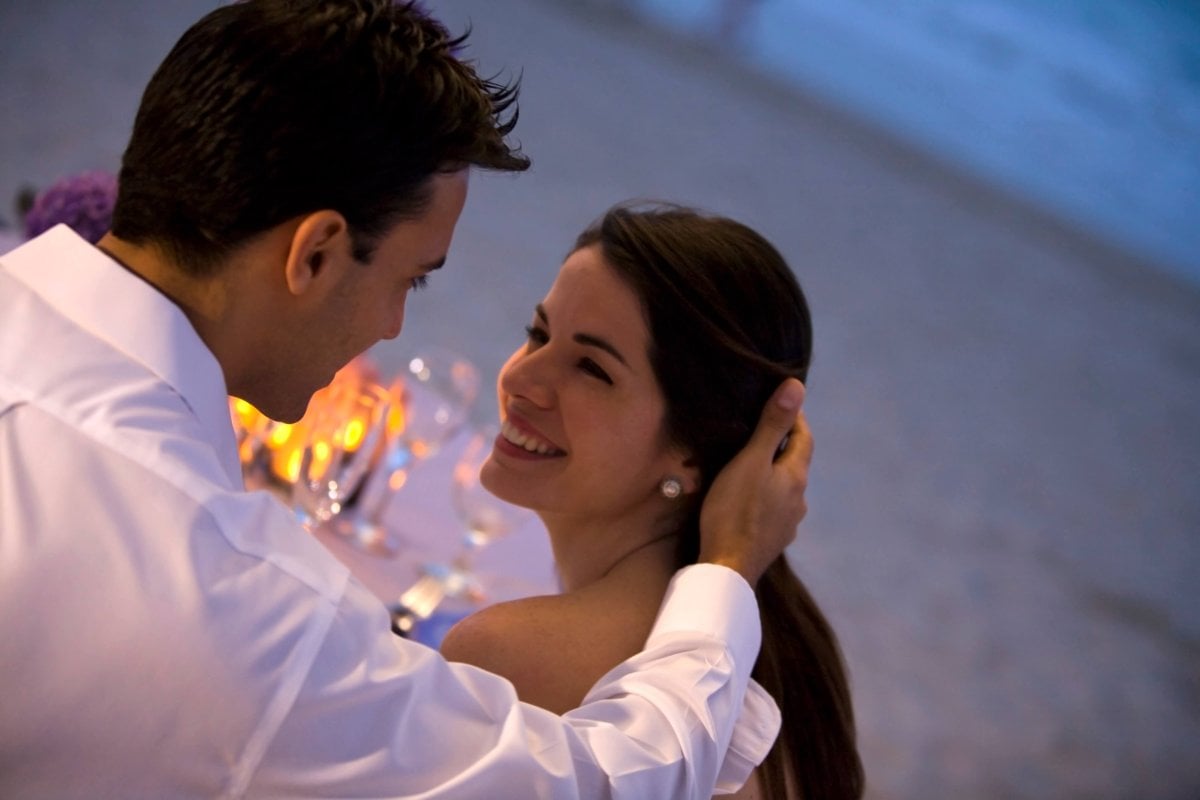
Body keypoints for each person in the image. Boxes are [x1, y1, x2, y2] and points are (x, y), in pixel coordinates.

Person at [0, 3, 813, 798]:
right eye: (408, 279)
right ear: (315, 253)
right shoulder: (235, 599)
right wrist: (729, 568)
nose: (392, 326)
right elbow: (609, 779)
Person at [440, 203, 865, 799]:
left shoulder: (505, 657)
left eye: (592, 368)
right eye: (539, 333)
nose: (521, 380)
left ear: (688, 452)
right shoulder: (789, 654)